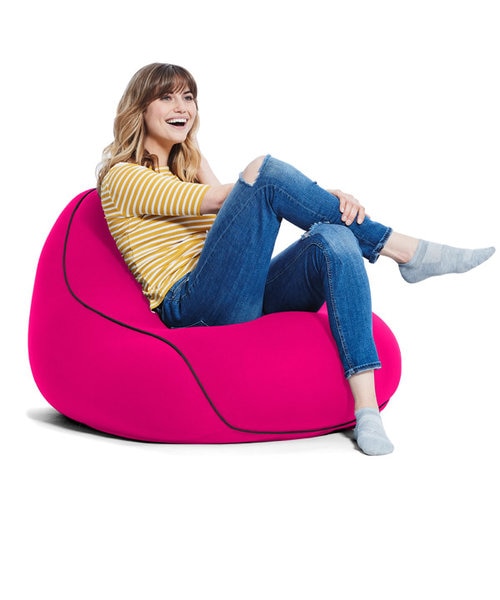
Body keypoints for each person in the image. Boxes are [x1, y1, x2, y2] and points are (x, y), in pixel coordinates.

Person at [96, 63, 495, 456]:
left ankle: (367, 411)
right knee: (263, 171)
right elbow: (226, 198)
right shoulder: (121, 176)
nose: (181, 107)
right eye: (166, 97)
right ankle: (404, 250)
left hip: (235, 293)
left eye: (188, 97)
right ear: (141, 108)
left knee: (334, 236)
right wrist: (302, 193)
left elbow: (233, 216)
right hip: (191, 306)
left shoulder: (191, 164)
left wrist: (322, 204)